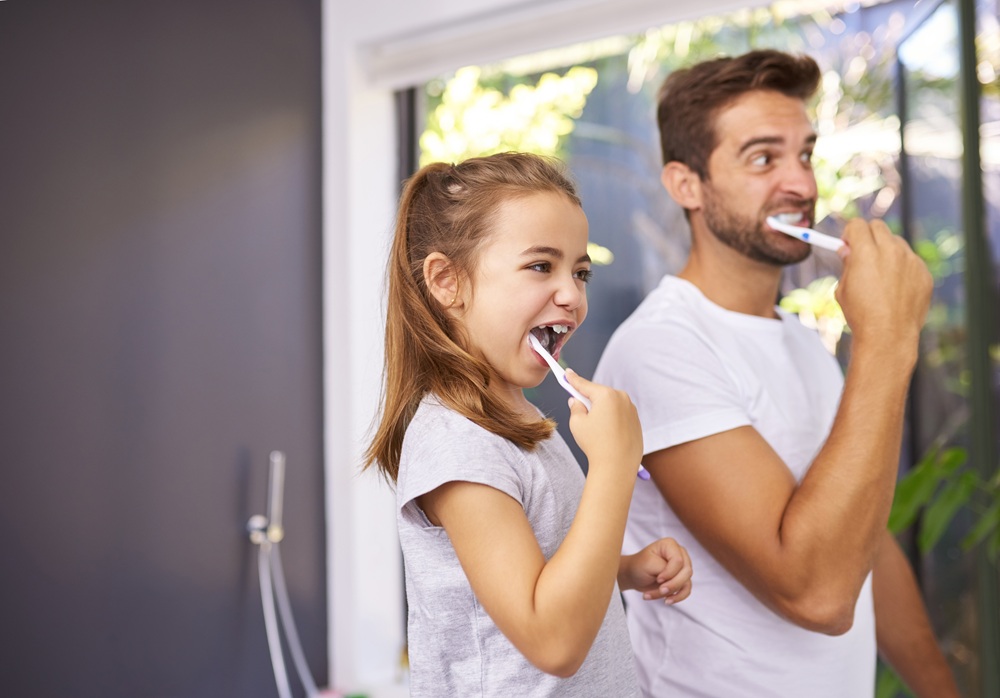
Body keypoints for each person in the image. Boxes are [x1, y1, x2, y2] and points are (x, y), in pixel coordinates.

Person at [594, 50, 959, 697]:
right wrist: (886, 337)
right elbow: (815, 593)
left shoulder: (801, 343)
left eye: (806, 154)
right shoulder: (660, 347)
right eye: (764, 158)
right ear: (687, 186)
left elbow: (864, 542)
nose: (800, 184)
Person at [365, 152, 693, 697]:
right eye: (541, 266)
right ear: (448, 282)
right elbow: (553, 641)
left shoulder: (524, 423)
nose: (572, 293)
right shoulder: (457, 446)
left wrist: (624, 569)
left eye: (580, 272)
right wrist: (615, 465)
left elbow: (539, 575)